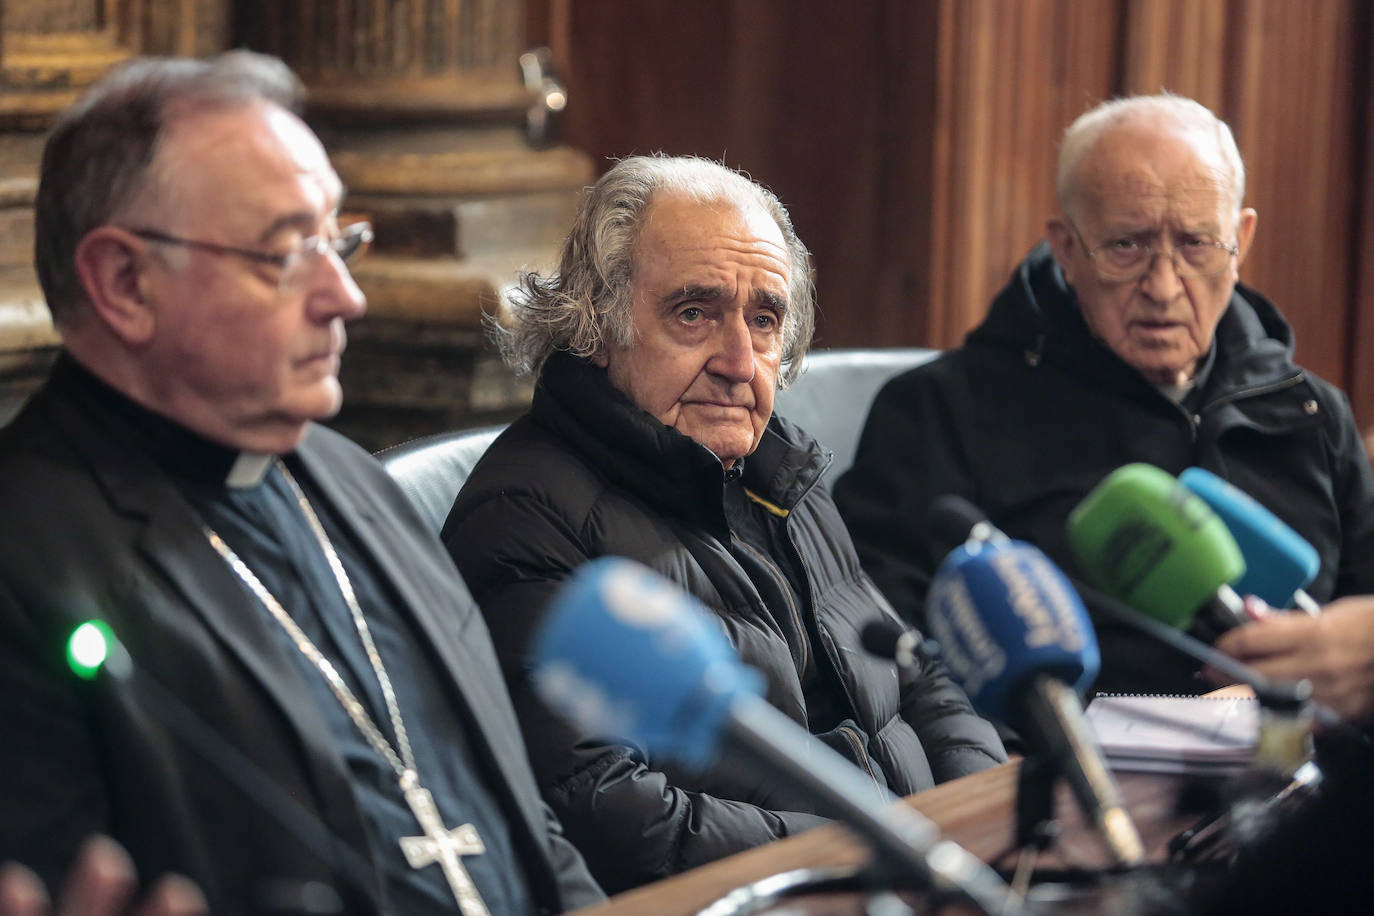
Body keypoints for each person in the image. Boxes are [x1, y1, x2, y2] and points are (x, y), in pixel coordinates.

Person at [0, 52, 603, 915]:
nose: (346, 295)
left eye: (340, 241)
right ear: (126, 284)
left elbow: (519, 826)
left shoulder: (358, 486)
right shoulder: (24, 564)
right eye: (286, 252)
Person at [441, 155, 1006, 894]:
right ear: (598, 327)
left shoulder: (777, 472)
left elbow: (916, 673)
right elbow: (604, 814)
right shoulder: (523, 516)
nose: (739, 361)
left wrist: (986, 821)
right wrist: (879, 853)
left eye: (764, 320)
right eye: (694, 313)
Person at [833, 94, 1374, 696]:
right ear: (1067, 249)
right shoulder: (941, 412)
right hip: (1053, 768)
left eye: (1196, 244)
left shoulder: (1310, 413)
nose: (1164, 287)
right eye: (1127, 247)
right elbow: (886, 656)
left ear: (1240, 241)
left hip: (1298, 765)